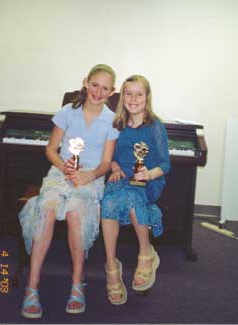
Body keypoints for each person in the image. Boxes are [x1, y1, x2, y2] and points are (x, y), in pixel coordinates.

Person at [19, 64, 119, 317]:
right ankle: (32, 285)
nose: (98, 91)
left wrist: (88, 175)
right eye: (94, 84)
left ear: (112, 92)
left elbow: (106, 163)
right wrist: (66, 168)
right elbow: (51, 149)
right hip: (61, 172)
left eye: (105, 88)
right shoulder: (68, 111)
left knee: (75, 213)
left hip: (91, 177)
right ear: (86, 82)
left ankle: (77, 283)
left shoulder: (111, 120)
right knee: (47, 208)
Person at [101, 75, 170, 305]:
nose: (133, 99)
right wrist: (114, 166)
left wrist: (148, 174)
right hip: (122, 177)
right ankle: (112, 265)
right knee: (108, 202)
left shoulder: (155, 126)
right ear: (122, 97)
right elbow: (109, 155)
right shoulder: (117, 124)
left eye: (139, 94)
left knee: (132, 195)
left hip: (148, 180)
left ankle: (146, 254)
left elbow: (165, 164)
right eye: (128, 93)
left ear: (147, 97)